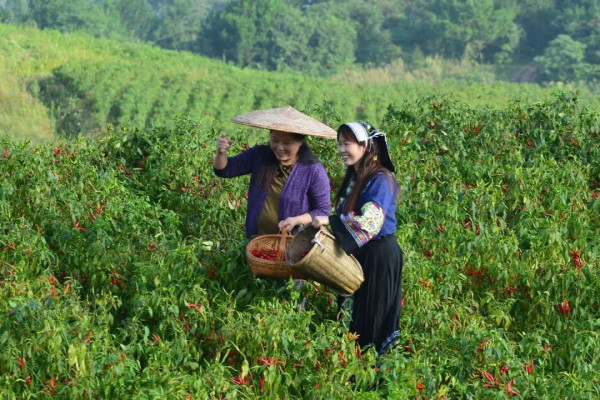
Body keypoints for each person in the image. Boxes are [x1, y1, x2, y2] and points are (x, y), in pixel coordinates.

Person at [312, 121, 403, 355]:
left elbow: (371, 223)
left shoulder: (380, 179)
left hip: (379, 257)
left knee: (372, 318)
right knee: (354, 318)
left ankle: (371, 381)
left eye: (347, 144)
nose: (342, 149)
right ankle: (354, 377)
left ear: (365, 146)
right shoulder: (359, 178)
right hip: (362, 255)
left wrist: (331, 221)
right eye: (339, 144)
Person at [213, 106, 336, 237]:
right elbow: (225, 170)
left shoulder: (313, 170)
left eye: (287, 142)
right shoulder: (259, 155)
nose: (280, 147)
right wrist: (221, 153)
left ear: (300, 142)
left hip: (293, 246)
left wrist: (297, 220)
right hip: (257, 241)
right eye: (275, 140)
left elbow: (322, 211)